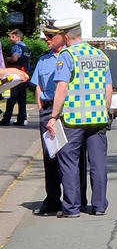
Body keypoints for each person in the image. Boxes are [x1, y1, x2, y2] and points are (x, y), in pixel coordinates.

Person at [46, 19, 113, 218]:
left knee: (69, 163)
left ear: (66, 36)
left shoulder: (67, 56)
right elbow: (109, 89)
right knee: (98, 163)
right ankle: (99, 206)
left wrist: (53, 116)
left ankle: (72, 208)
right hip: (98, 118)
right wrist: (105, 111)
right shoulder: (100, 55)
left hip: (73, 119)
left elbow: (62, 87)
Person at [29, 22, 67, 215]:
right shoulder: (44, 60)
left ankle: (74, 200)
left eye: (51, 36)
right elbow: (39, 86)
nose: (47, 39)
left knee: (70, 157)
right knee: (50, 156)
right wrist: (41, 109)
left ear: (62, 36)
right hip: (48, 109)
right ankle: (52, 199)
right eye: (46, 35)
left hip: (67, 110)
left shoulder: (70, 56)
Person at [1, 29, 32, 126]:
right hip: (25, 74)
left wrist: (7, 59)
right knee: (22, 98)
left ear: (18, 37)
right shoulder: (26, 48)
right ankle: (21, 119)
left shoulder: (16, 47)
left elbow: (15, 58)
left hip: (16, 75)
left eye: (12, 37)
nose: (10, 39)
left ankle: (6, 119)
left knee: (12, 97)